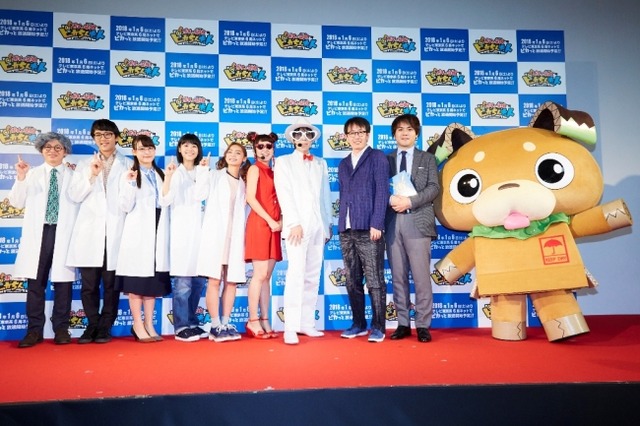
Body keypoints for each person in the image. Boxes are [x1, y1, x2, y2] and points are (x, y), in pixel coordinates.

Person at [10, 132, 79, 347]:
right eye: (48, 147)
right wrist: (21, 177)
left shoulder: (74, 175)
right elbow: (16, 202)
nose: (52, 151)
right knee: (36, 284)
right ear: (41, 151)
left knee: (63, 284)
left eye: (58, 147)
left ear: (65, 152)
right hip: (39, 234)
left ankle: (61, 329)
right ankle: (34, 331)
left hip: (64, 233)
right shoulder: (31, 174)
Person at [67, 119, 132, 344]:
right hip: (90, 233)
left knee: (111, 286)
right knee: (89, 286)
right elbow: (75, 195)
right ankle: (92, 326)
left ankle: (105, 327)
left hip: (115, 233)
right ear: (94, 139)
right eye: (98, 135)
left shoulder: (128, 164)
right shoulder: (84, 165)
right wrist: (92, 176)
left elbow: (128, 202)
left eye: (107, 134)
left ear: (116, 137)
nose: (103, 139)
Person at [273, 117, 332, 345]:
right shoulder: (283, 162)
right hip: (296, 226)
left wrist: (327, 223)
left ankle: (307, 323)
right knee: (296, 274)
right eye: (299, 134)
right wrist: (293, 222)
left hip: (318, 225)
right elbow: (284, 192)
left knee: (312, 274)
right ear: (292, 138)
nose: (304, 138)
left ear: (313, 139)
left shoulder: (320, 163)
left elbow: (325, 194)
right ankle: (290, 327)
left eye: (308, 134)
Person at [385, 114, 439, 343]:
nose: (404, 133)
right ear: (394, 134)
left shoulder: (427, 158)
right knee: (398, 276)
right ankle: (403, 323)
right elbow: (378, 187)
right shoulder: (385, 159)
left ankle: (423, 325)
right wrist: (390, 200)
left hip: (418, 220)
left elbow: (434, 187)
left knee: (421, 276)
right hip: (392, 222)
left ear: (416, 134)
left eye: (409, 129)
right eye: (400, 129)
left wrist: (410, 201)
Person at [338, 117, 390, 343]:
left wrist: (377, 223)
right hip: (347, 230)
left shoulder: (377, 157)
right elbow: (344, 195)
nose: (357, 137)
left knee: (375, 280)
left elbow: (382, 191)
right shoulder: (343, 164)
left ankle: (378, 326)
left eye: (361, 132)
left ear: (368, 135)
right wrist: (341, 224)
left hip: (369, 229)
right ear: (346, 137)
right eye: (352, 133)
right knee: (352, 280)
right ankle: (358, 324)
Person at [116, 135, 171, 343]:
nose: (146, 152)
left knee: (152, 283)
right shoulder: (129, 174)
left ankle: (149, 323)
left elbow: (166, 201)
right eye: (141, 149)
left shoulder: (162, 173)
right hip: (138, 233)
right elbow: (124, 206)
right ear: (134, 152)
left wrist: (170, 179)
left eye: (149, 148)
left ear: (154, 151)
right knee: (136, 281)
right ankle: (137, 324)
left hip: (158, 229)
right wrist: (130, 184)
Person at [196, 142, 250, 343]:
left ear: (244, 158)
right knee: (214, 280)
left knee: (231, 281)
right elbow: (199, 195)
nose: (233, 155)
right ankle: (215, 324)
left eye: (238, 153)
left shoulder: (244, 183)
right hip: (215, 236)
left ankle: (226, 323)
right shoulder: (214, 175)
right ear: (225, 156)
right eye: (230, 152)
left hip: (235, 238)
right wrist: (202, 171)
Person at [160, 134, 208, 342]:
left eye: (194, 146)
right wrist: (168, 177)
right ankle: (180, 326)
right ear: (179, 149)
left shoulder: (203, 171)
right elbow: (165, 200)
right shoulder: (174, 172)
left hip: (201, 235)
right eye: (186, 146)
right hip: (181, 235)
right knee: (183, 285)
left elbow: (201, 196)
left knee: (198, 283)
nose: (190, 149)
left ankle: (192, 321)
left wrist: (203, 172)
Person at [244, 132, 282, 339]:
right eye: (260, 146)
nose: (265, 150)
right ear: (254, 150)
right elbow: (250, 198)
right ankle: (252, 320)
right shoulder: (254, 169)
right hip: (260, 224)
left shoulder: (276, 172)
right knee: (259, 275)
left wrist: (280, 221)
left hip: (274, 226)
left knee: (267, 276)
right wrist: (270, 220)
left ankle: (265, 319)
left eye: (268, 146)